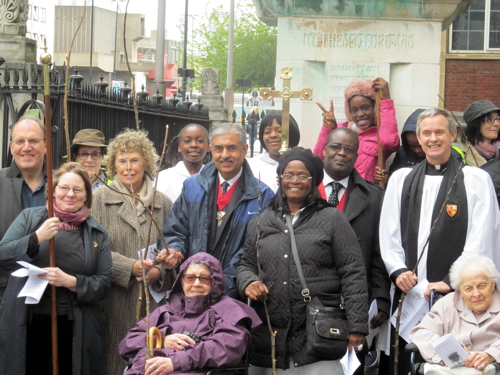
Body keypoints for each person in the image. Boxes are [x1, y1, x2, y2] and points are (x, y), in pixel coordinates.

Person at [379, 107, 500, 375]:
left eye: (439, 132)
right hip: (408, 292)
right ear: (419, 139)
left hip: (456, 295)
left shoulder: (476, 180)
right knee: (406, 362)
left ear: (452, 134)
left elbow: (482, 238)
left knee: (453, 363)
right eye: (426, 133)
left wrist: (450, 280)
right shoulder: (400, 179)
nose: (432, 138)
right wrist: (398, 271)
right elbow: (388, 234)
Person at [237, 147, 369, 374]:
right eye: (288, 175)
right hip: (272, 335)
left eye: (302, 175)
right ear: (280, 179)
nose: (294, 181)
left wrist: (357, 326)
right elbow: (246, 264)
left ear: (314, 181)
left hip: (317, 334)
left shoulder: (332, 219)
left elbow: (353, 272)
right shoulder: (261, 222)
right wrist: (248, 281)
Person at [0, 162, 112, 375]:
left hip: (75, 325)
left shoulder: (97, 233)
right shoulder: (29, 218)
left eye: (78, 189)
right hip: (29, 320)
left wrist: (71, 282)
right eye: (63, 188)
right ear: (53, 191)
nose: (70, 194)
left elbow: (104, 281)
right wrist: (36, 238)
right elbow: (3, 255)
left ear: (87, 196)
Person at [158, 123, 274, 299]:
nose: (225, 155)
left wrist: (221, 282)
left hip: (234, 294)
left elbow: (256, 252)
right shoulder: (192, 186)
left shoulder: (262, 196)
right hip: (193, 290)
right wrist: (174, 251)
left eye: (232, 148)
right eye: (219, 148)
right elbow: (176, 230)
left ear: (245, 149)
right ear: (211, 149)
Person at [91, 128, 173, 375]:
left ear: (146, 163)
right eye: (122, 161)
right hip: (113, 302)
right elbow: (91, 249)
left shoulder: (163, 203)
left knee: (150, 363)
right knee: (114, 363)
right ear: (113, 165)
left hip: (154, 307)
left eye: (134, 160)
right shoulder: (98, 200)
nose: (128, 167)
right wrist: (128, 267)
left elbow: (175, 251)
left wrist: (160, 271)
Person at [319, 128, 391, 373]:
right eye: (336, 147)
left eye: (349, 149)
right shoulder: (302, 190)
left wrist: (381, 297)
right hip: (313, 297)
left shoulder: (374, 197)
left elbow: (381, 253)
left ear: (357, 155)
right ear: (324, 150)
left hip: (356, 300)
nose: (342, 153)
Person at [120, 252, 262, 375]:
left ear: (215, 282)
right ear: (181, 282)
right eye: (190, 278)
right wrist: (161, 340)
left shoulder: (229, 310)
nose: (196, 284)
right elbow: (127, 344)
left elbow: (226, 348)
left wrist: (175, 362)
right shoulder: (164, 311)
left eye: (204, 279)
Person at [410, 254, 500, 374]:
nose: (476, 294)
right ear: (460, 290)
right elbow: (422, 333)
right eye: (468, 288)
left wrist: (491, 354)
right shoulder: (446, 304)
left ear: (492, 284)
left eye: (482, 286)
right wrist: (446, 355)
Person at [313, 78, 399, 182]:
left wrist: (385, 99)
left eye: (365, 108)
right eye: (354, 110)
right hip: (338, 191)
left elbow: (389, 141)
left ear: (375, 108)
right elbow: (317, 161)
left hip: (364, 194)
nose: (360, 114)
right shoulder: (340, 130)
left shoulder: (379, 136)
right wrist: (328, 130)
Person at [0, 115, 48, 303]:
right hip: (5, 293)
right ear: (12, 147)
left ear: (46, 146)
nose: (26, 147)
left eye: (33, 141)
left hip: (51, 296)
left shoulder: (62, 185)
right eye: (20, 141)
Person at [247, 110, 301, 192]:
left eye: (279, 131)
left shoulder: (302, 163)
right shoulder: (251, 166)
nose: (273, 135)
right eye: (267, 132)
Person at [156, 124, 210, 202]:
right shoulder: (163, 178)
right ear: (180, 148)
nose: (194, 145)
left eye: (200, 141)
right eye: (187, 141)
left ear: (208, 147)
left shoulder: (215, 178)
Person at [459, 100, 500, 166]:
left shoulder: (498, 151)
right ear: (476, 124)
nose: (497, 124)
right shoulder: (462, 155)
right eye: (489, 119)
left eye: (498, 118)